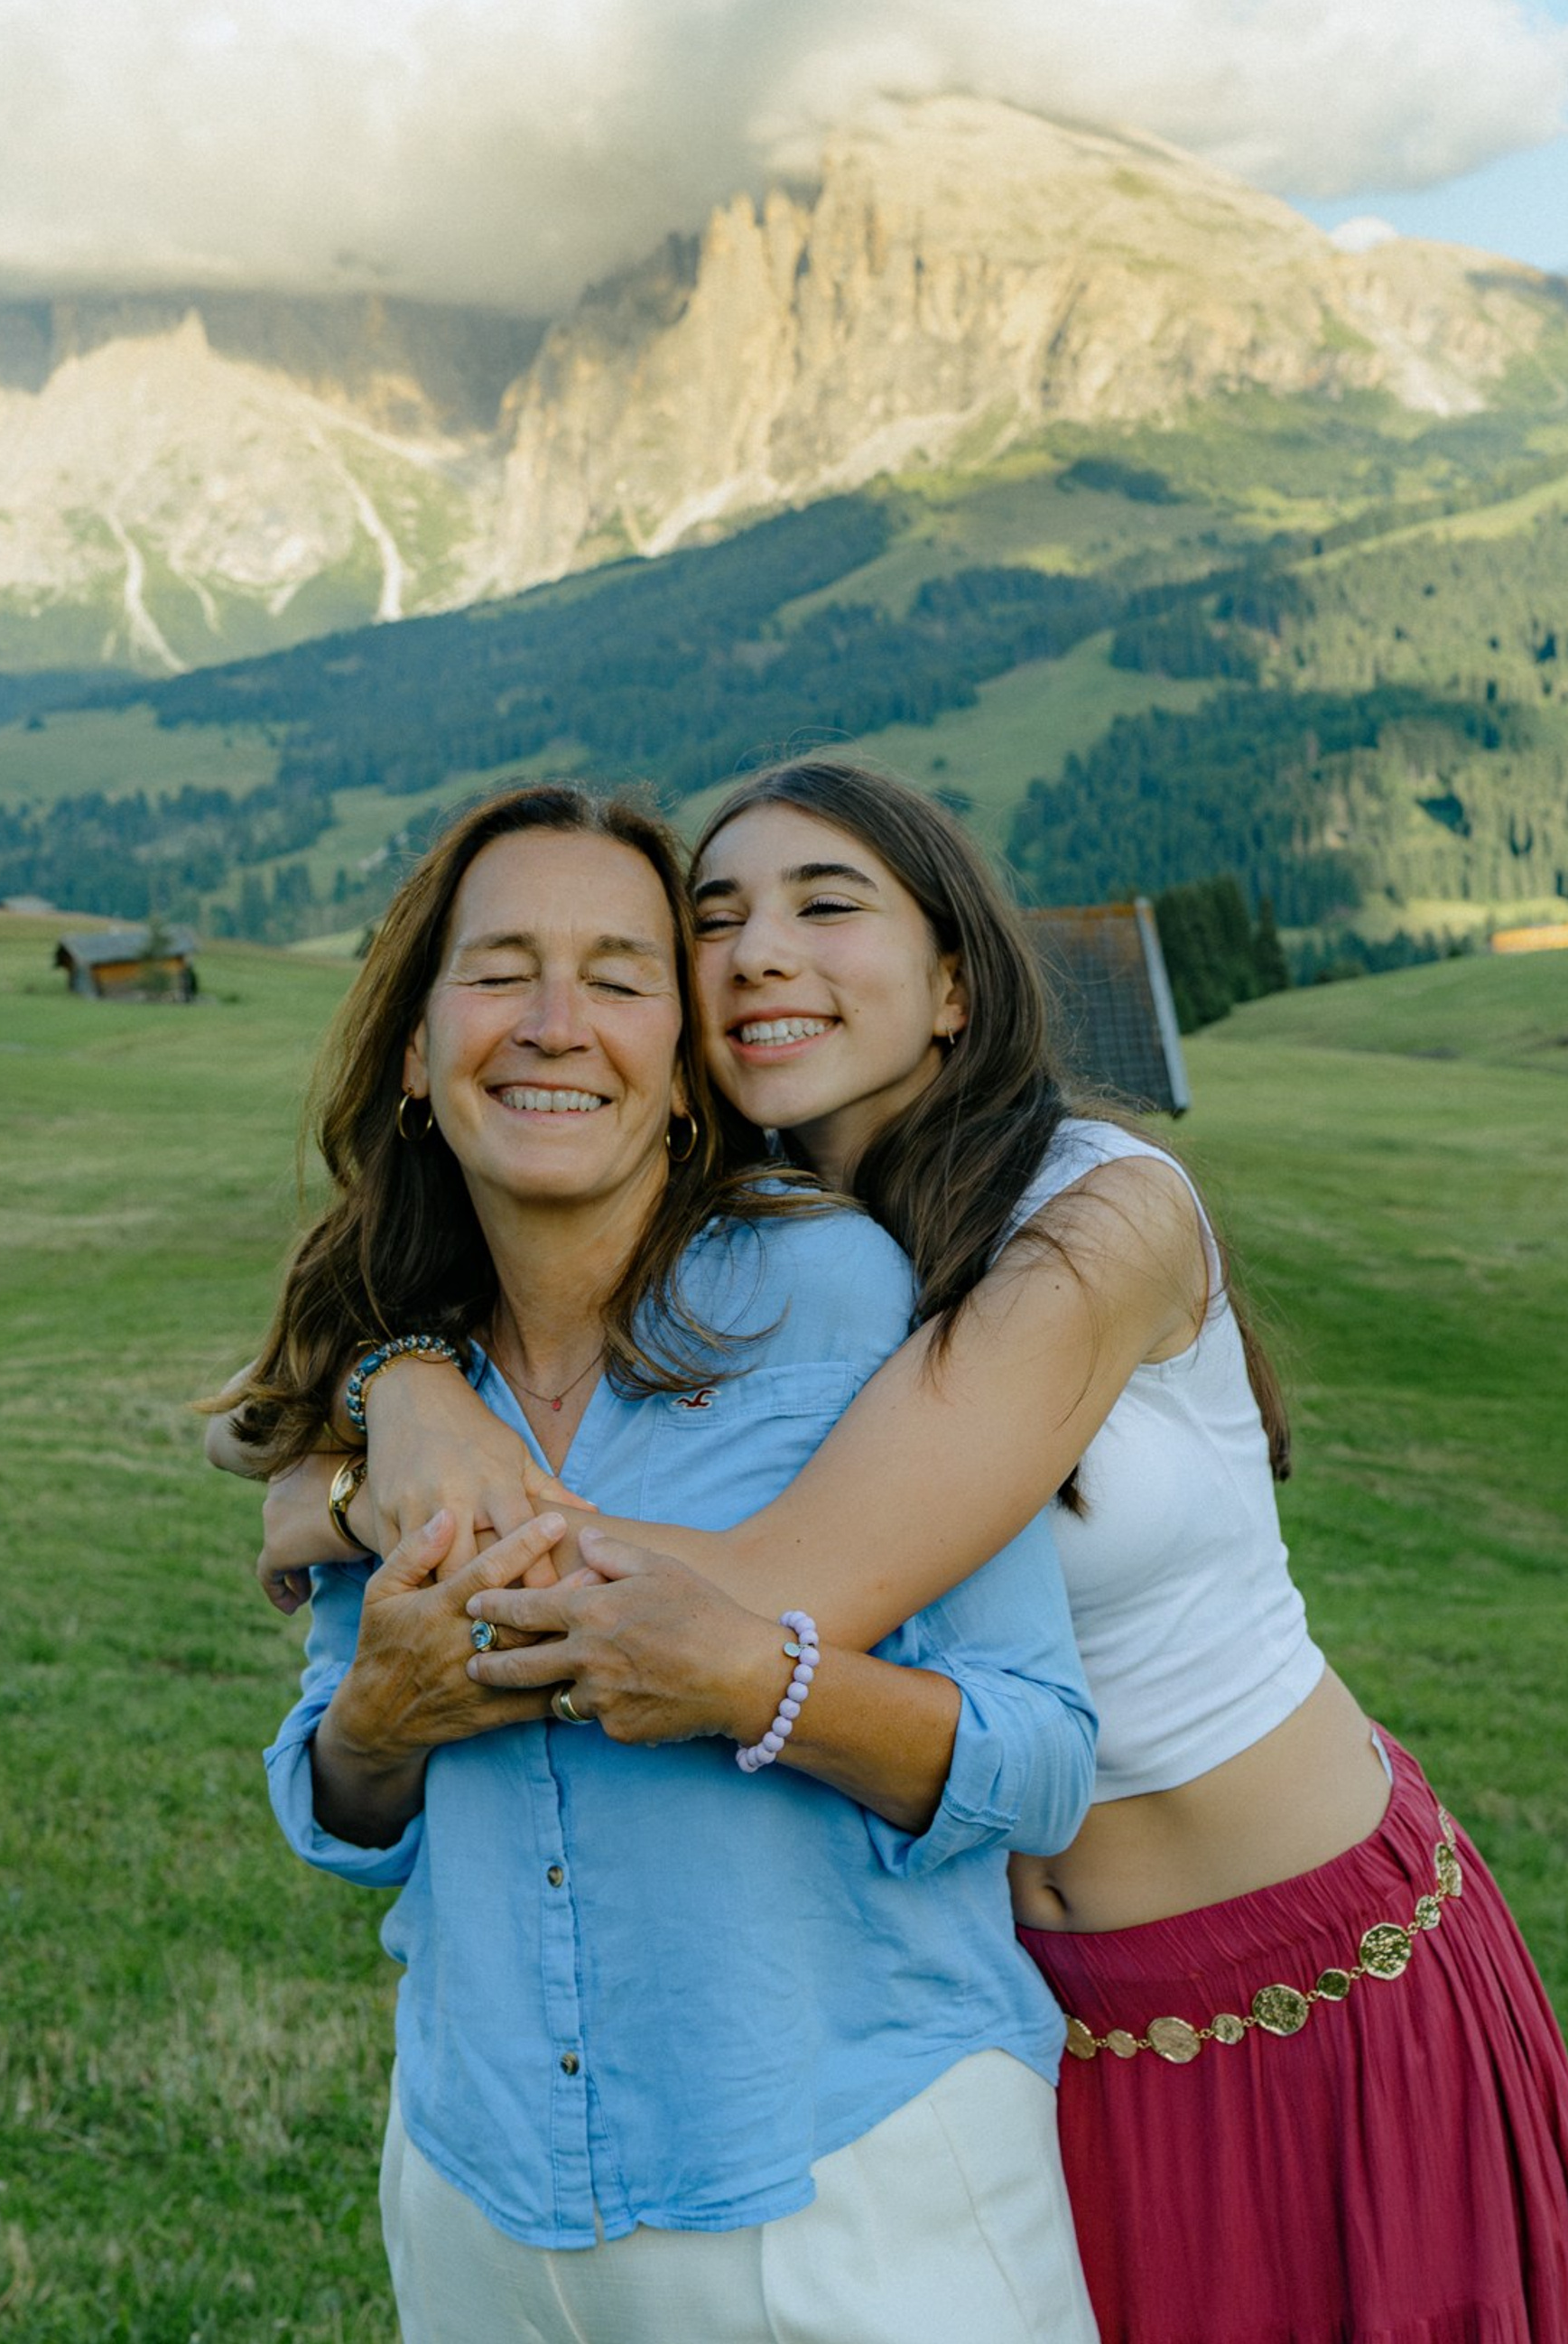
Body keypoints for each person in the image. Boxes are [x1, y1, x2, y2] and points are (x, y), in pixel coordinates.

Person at [262, 759, 1568, 2343]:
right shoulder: (773, 1246)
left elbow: (778, 1591)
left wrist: (367, 1477)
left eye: (828, 905)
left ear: (955, 982)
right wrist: (380, 1403)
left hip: (1305, 1973)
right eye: (718, 920)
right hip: (1038, 2022)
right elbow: (285, 1409)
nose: (757, 952)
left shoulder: (1099, 1217)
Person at [224, 779, 1099, 2344]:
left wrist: (749, 1680)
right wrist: (379, 1717)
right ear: (419, 1052)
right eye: (499, 972)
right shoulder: (399, 1368)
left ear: (688, 1079)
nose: (556, 1024)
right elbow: (340, 1809)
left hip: (849, 2198)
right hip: (485, 2202)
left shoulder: (838, 1296)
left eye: (622, 979)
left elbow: (1039, 1762)